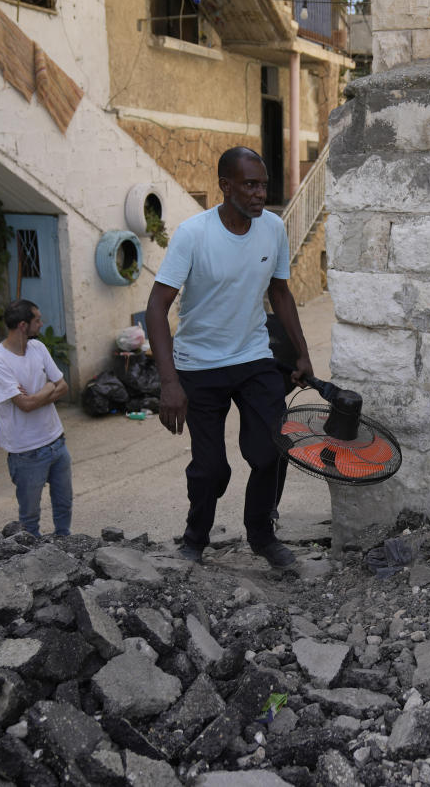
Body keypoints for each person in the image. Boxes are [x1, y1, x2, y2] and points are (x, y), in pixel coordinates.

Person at [146, 146, 312, 569]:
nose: (260, 194)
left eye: (263, 185)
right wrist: (169, 382)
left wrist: (302, 354)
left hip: (254, 356)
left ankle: (261, 534)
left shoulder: (273, 228)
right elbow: (155, 308)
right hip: (199, 365)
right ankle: (194, 538)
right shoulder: (193, 234)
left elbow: (280, 292)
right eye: (250, 185)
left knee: (272, 450)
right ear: (225, 185)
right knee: (211, 470)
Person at [0, 299, 72, 538]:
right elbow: (25, 405)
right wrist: (46, 390)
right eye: (37, 320)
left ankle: (64, 543)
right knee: (29, 516)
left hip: (56, 441)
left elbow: (63, 386)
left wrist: (38, 395)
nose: (42, 324)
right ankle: (32, 559)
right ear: (23, 325)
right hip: (26, 451)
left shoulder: (38, 348)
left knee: (64, 504)